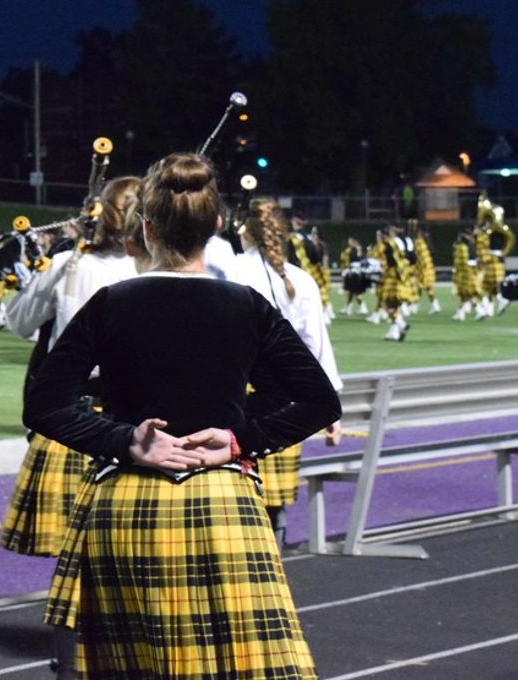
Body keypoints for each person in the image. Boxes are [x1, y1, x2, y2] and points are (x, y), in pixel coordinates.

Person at [25, 153, 340, 679]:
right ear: (216, 226)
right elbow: (318, 400)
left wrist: (125, 440)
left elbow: (44, 405)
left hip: (125, 504)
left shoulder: (109, 303)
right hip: (223, 503)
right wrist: (239, 437)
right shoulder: (247, 305)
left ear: (146, 229)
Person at [2, 176, 140, 675]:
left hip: (75, 421)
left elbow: (17, 321)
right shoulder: (158, 269)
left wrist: (43, 269)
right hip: (143, 426)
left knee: (74, 561)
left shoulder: (68, 265)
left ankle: (72, 665)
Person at [233, 199, 343, 547]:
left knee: (232, 493)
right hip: (284, 401)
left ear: (244, 232)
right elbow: (316, 348)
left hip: (234, 399)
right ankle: (273, 555)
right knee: (274, 503)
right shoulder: (301, 279)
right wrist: (331, 407)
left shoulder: (228, 272)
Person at [451, 229, 482, 321]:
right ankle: (460, 313)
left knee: (467, 294)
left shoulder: (465, 246)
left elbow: (463, 261)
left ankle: (480, 311)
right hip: (468, 271)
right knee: (464, 295)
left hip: (466, 272)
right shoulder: (470, 245)